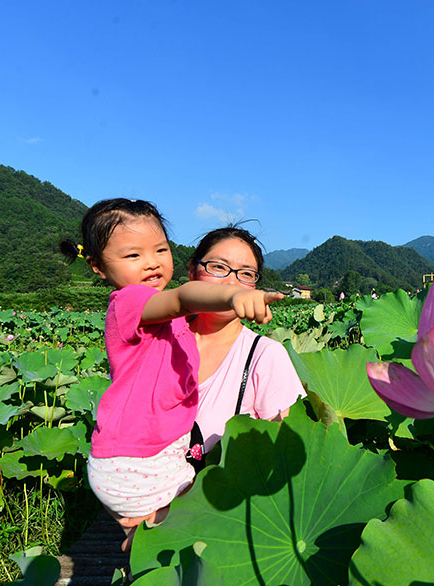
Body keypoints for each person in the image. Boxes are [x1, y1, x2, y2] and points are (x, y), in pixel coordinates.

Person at [60, 199, 283, 550]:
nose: (151, 262)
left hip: (148, 457)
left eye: (160, 250)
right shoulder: (130, 302)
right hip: (137, 460)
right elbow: (183, 299)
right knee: (184, 528)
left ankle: (141, 545)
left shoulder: (257, 351)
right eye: (133, 255)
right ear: (97, 266)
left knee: (167, 532)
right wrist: (232, 296)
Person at [186, 226, 306, 460]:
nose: (232, 283)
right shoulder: (158, 339)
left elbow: (283, 455)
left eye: (246, 274)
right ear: (192, 270)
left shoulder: (265, 355)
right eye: (218, 267)